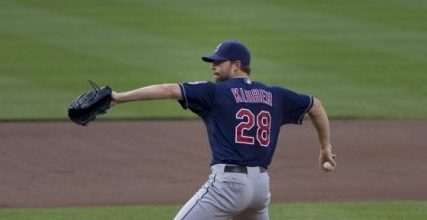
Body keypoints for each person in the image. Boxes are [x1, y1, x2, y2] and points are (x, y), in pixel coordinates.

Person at [109, 40, 337, 220]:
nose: (213, 66)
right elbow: (315, 105)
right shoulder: (274, 95)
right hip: (260, 189)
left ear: (237, 65)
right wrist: (325, 147)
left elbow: (168, 90)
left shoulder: (214, 92)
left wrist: (119, 98)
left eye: (219, 62)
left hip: (229, 185)